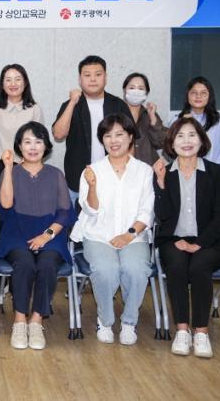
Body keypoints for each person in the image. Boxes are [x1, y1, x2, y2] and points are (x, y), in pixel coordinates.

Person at [70, 113, 154, 346]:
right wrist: (92, 186)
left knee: (136, 269)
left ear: (130, 137)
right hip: (98, 235)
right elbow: (91, 210)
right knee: (106, 270)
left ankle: (129, 322)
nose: (114, 140)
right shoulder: (92, 170)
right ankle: (105, 321)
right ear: (102, 140)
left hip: (134, 235)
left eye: (119, 134)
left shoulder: (144, 171)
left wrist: (129, 234)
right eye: (108, 136)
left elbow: (147, 210)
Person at [153, 117, 220, 358]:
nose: (186, 141)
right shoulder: (165, 173)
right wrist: (161, 184)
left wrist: (198, 243)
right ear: (171, 143)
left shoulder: (215, 171)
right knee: (176, 267)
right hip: (174, 239)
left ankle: (201, 332)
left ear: (201, 140)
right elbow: (163, 216)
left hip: (210, 240)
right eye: (180, 136)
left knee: (199, 267)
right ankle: (182, 330)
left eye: (192, 135)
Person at [0, 122, 75, 350]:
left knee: (47, 264)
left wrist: (47, 235)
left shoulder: (55, 174)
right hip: (16, 232)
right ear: (19, 146)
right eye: (27, 142)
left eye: (38, 142)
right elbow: (5, 204)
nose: (33, 147)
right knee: (24, 263)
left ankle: (36, 320)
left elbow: (65, 212)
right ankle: (20, 320)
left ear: (46, 146)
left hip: (51, 233)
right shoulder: (10, 171)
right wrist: (8, 168)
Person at [52, 55, 133, 203]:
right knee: (77, 217)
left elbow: (131, 142)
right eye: (87, 75)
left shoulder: (118, 105)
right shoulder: (70, 105)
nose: (93, 79)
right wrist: (72, 102)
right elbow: (58, 134)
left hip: (113, 178)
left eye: (98, 74)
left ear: (105, 77)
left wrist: (126, 173)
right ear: (79, 79)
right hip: (77, 180)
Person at [0, 63, 44, 208]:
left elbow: (39, 141)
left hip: (24, 166)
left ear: (25, 83)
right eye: (8, 80)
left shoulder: (34, 109)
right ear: (2, 85)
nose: (13, 84)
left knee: (21, 209)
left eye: (17, 79)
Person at [172, 76, 220, 165]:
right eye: (194, 92)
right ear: (187, 96)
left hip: (213, 171)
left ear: (209, 96)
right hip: (185, 170)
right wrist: (183, 123)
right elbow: (171, 150)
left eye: (203, 93)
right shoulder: (177, 120)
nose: (198, 96)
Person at [122, 72, 168, 165]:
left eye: (141, 88)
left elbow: (160, 143)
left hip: (148, 167)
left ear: (146, 93)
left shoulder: (149, 114)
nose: (136, 91)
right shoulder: (115, 113)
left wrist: (153, 119)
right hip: (121, 167)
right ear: (124, 90)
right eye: (132, 88)